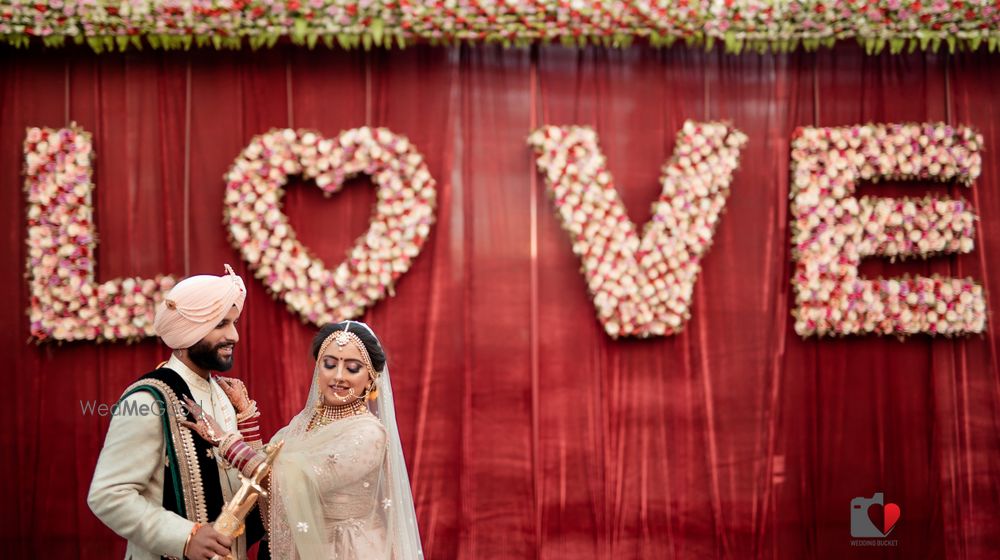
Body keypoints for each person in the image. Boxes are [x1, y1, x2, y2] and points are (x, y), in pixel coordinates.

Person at [183, 320, 423, 559]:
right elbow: (266, 479)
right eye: (329, 364)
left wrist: (226, 441)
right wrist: (246, 416)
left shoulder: (369, 434)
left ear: (371, 379)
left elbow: (291, 482)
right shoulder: (304, 421)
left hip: (345, 549)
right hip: (305, 544)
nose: (338, 377)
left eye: (352, 368)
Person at [88, 265, 267, 560]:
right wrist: (184, 537)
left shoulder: (223, 394)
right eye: (221, 324)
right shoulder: (150, 399)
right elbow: (108, 495)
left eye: (234, 323)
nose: (234, 335)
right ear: (187, 332)